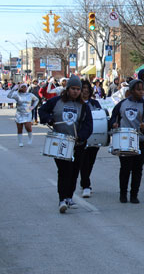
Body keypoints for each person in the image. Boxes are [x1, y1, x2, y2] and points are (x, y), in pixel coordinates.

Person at [38, 75, 93, 213]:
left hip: (77, 144)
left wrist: (81, 137)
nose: (75, 91)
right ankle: (62, 199)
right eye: (73, 88)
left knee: (74, 171)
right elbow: (42, 111)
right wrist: (48, 119)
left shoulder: (84, 106)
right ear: (67, 89)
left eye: (78, 89)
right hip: (60, 141)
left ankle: (69, 196)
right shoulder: (56, 101)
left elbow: (88, 125)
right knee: (64, 171)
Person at [110, 79, 144, 203]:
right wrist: (114, 124)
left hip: (141, 141)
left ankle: (134, 194)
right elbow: (113, 119)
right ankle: (123, 193)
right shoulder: (122, 104)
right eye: (138, 89)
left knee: (137, 168)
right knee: (125, 168)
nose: (141, 92)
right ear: (131, 91)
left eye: (142, 89)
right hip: (125, 140)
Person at [79, 80, 102, 198]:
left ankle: (84, 181)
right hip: (81, 137)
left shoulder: (95, 103)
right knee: (83, 162)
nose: (86, 91)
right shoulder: (76, 103)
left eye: (88, 88)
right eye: (83, 88)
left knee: (90, 162)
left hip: (95, 138)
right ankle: (86, 185)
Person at [7, 83, 39, 147]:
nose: (24, 88)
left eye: (25, 87)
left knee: (28, 127)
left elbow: (37, 100)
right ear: (20, 88)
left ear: (26, 88)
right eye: (22, 87)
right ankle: (20, 142)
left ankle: (30, 138)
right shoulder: (17, 95)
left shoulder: (30, 95)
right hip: (19, 113)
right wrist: (13, 89)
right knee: (19, 128)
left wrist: (33, 106)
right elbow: (9, 96)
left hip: (27, 113)